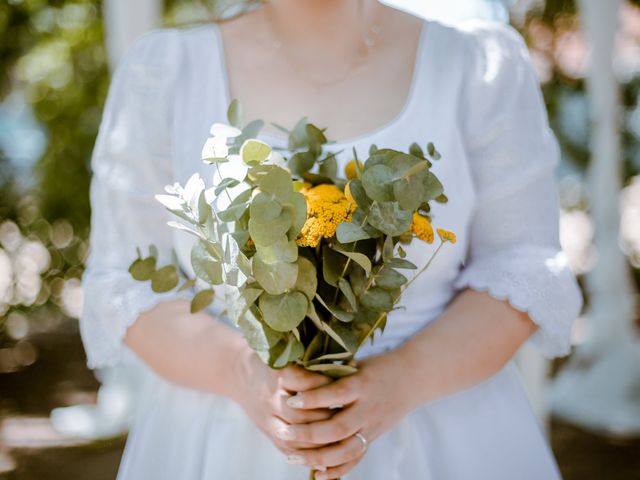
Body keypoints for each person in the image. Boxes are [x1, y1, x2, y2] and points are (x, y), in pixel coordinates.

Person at [80, 0, 584, 478]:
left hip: (450, 432)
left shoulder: (480, 67)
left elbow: (522, 265)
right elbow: (127, 280)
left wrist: (398, 381)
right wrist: (248, 379)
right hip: (221, 442)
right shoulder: (164, 73)